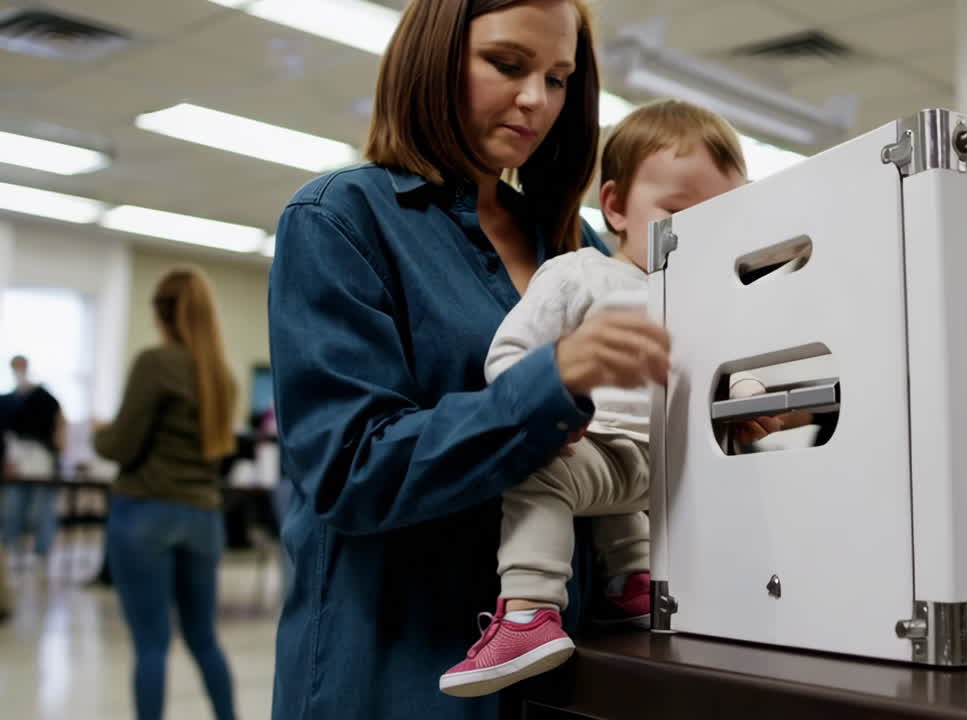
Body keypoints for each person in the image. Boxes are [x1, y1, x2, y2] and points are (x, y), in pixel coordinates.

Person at [265, 0, 684, 717]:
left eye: (558, 79)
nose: (536, 100)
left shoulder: (575, 244)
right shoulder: (342, 220)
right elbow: (349, 471)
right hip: (398, 675)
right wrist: (551, 383)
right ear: (434, 58)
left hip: (562, 674)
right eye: (507, 65)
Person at [439, 99, 783, 697]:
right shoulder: (580, 275)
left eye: (721, 220)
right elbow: (509, 355)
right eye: (676, 214)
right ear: (617, 207)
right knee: (535, 467)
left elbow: (730, 370)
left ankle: (635, 584)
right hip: (595, 450)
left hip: (673, 472)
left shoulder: (713, 297)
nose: (697, 238)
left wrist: (750, 399)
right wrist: (546, 401)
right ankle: (528, 611)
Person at [94, 268, 239, 720]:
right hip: (203, 518)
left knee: (152, 644)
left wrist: (100, 435)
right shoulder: (222, 377)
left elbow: (122, 445)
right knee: (204, 639)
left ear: (161, 313)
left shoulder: (155, 362)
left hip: (146, 512)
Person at [2, 355, 65, 565]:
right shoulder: (7, 401)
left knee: (43, 510)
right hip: (16, 462)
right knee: (13, 509)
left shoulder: (46, 398)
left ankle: (42, 553)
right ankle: (10, 552)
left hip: (43, 460)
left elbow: (58, 430)